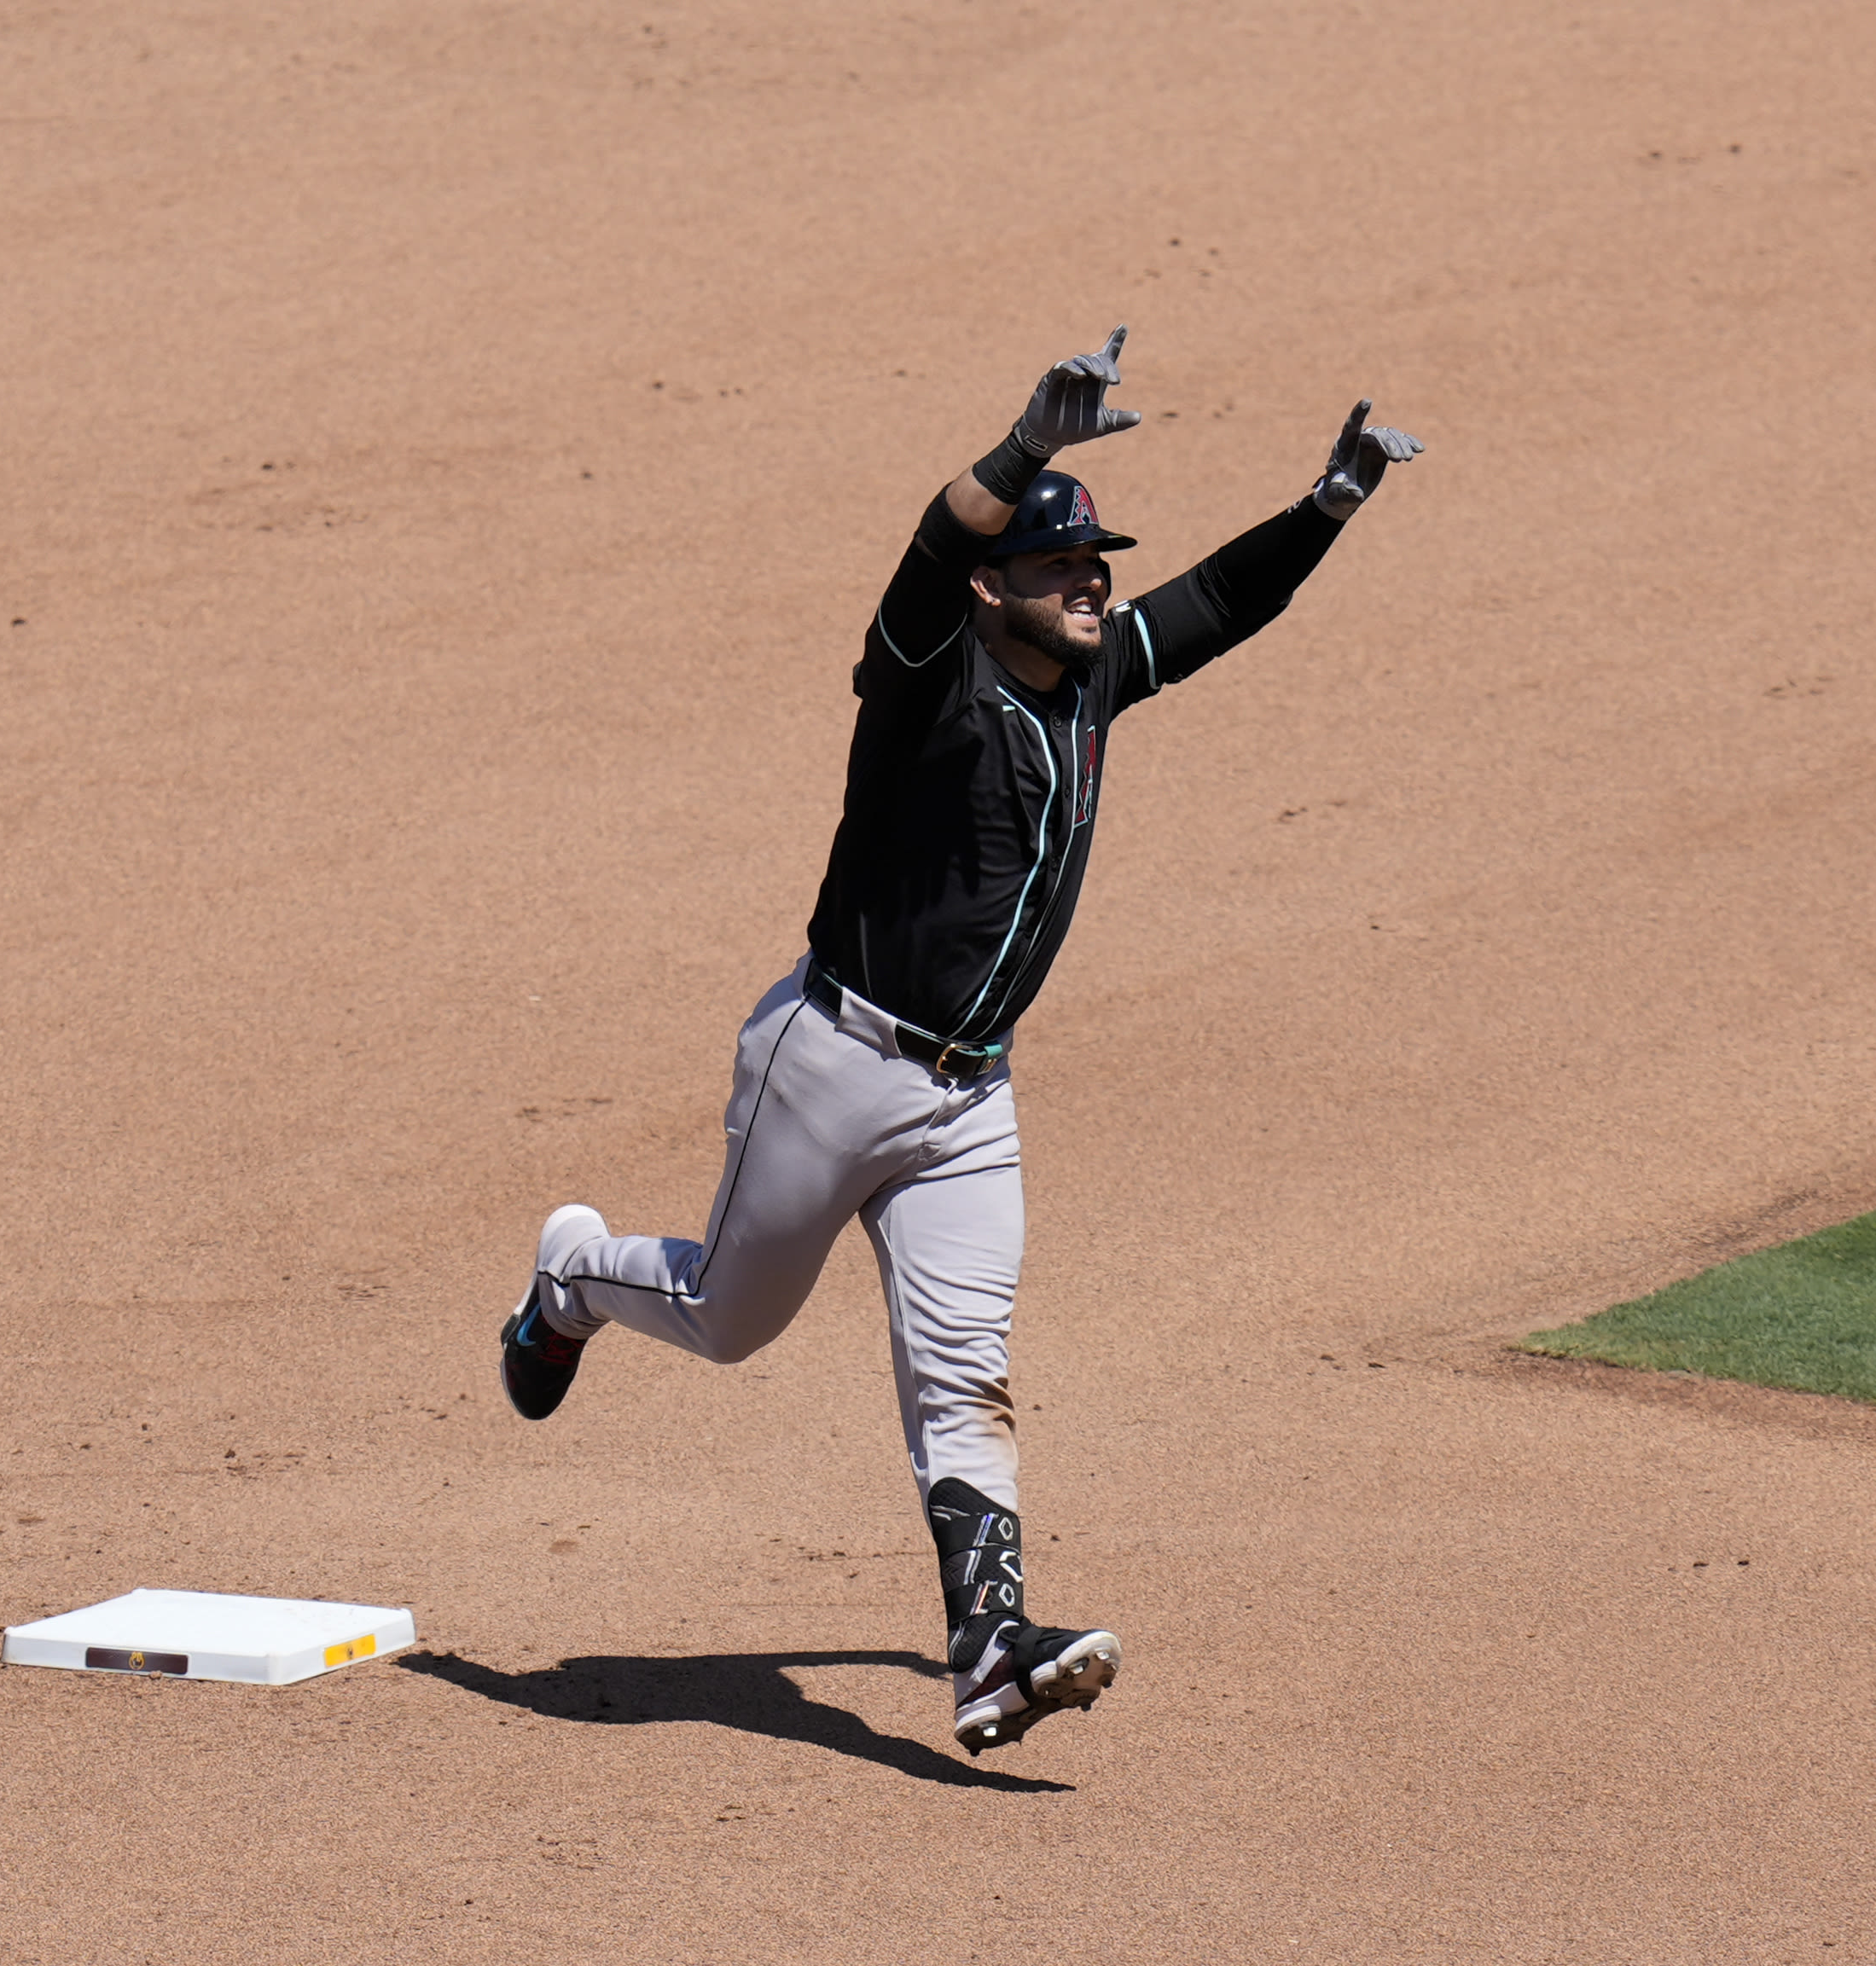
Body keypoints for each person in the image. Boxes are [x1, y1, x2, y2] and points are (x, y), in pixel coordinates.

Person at [498, 327, 1421, 1753]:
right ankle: (568, 1277)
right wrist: (1022, 449)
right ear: (996, 589)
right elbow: (929, 560)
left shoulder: (1095, 682)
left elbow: (1221, 603)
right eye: (1060, 567)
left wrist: (1330, 504)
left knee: (965, 1370)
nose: (1091, 585)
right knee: (727, 1323)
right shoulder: (926, 687)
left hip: (967, 1103)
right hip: (829, 1067)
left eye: (1095, 566)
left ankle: (991, 1650)